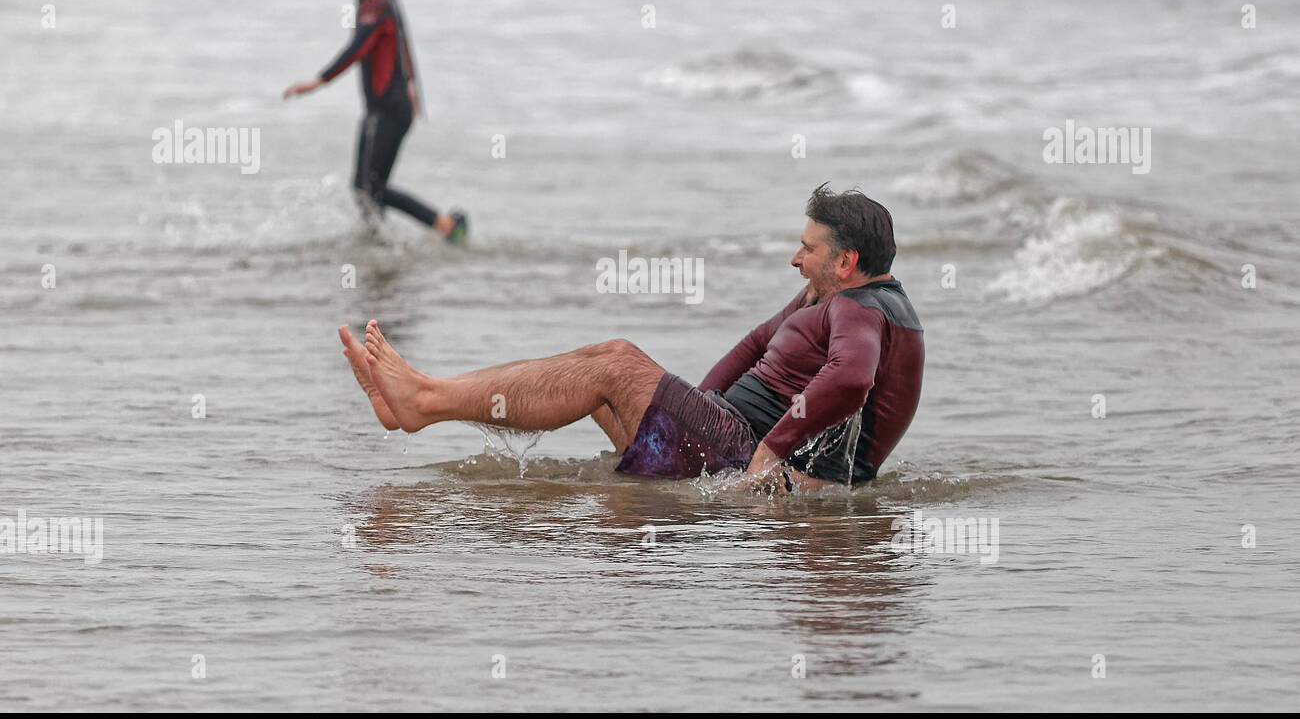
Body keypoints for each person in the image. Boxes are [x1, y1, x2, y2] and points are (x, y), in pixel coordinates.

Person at [338, 185, 924, 491]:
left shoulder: (865, 311)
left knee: (615, 362)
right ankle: (420, 401)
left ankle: (424, 402)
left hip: (749, 460)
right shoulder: (831, 295)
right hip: (723, 438)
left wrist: (768, 457)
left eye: (809, 248)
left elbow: (850, 377)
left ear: (846, 260)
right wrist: (698, 406)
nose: (795, 258)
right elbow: (754, 343)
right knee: (602, 375)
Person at [284, 0, 467, 242]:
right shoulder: (373, 0)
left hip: (391, 111)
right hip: (379, 109)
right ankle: (378, 244)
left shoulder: (377, 4)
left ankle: (447, 226)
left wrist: (319, 81)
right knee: (363, 189)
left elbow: (357, 48)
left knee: (372, 189)